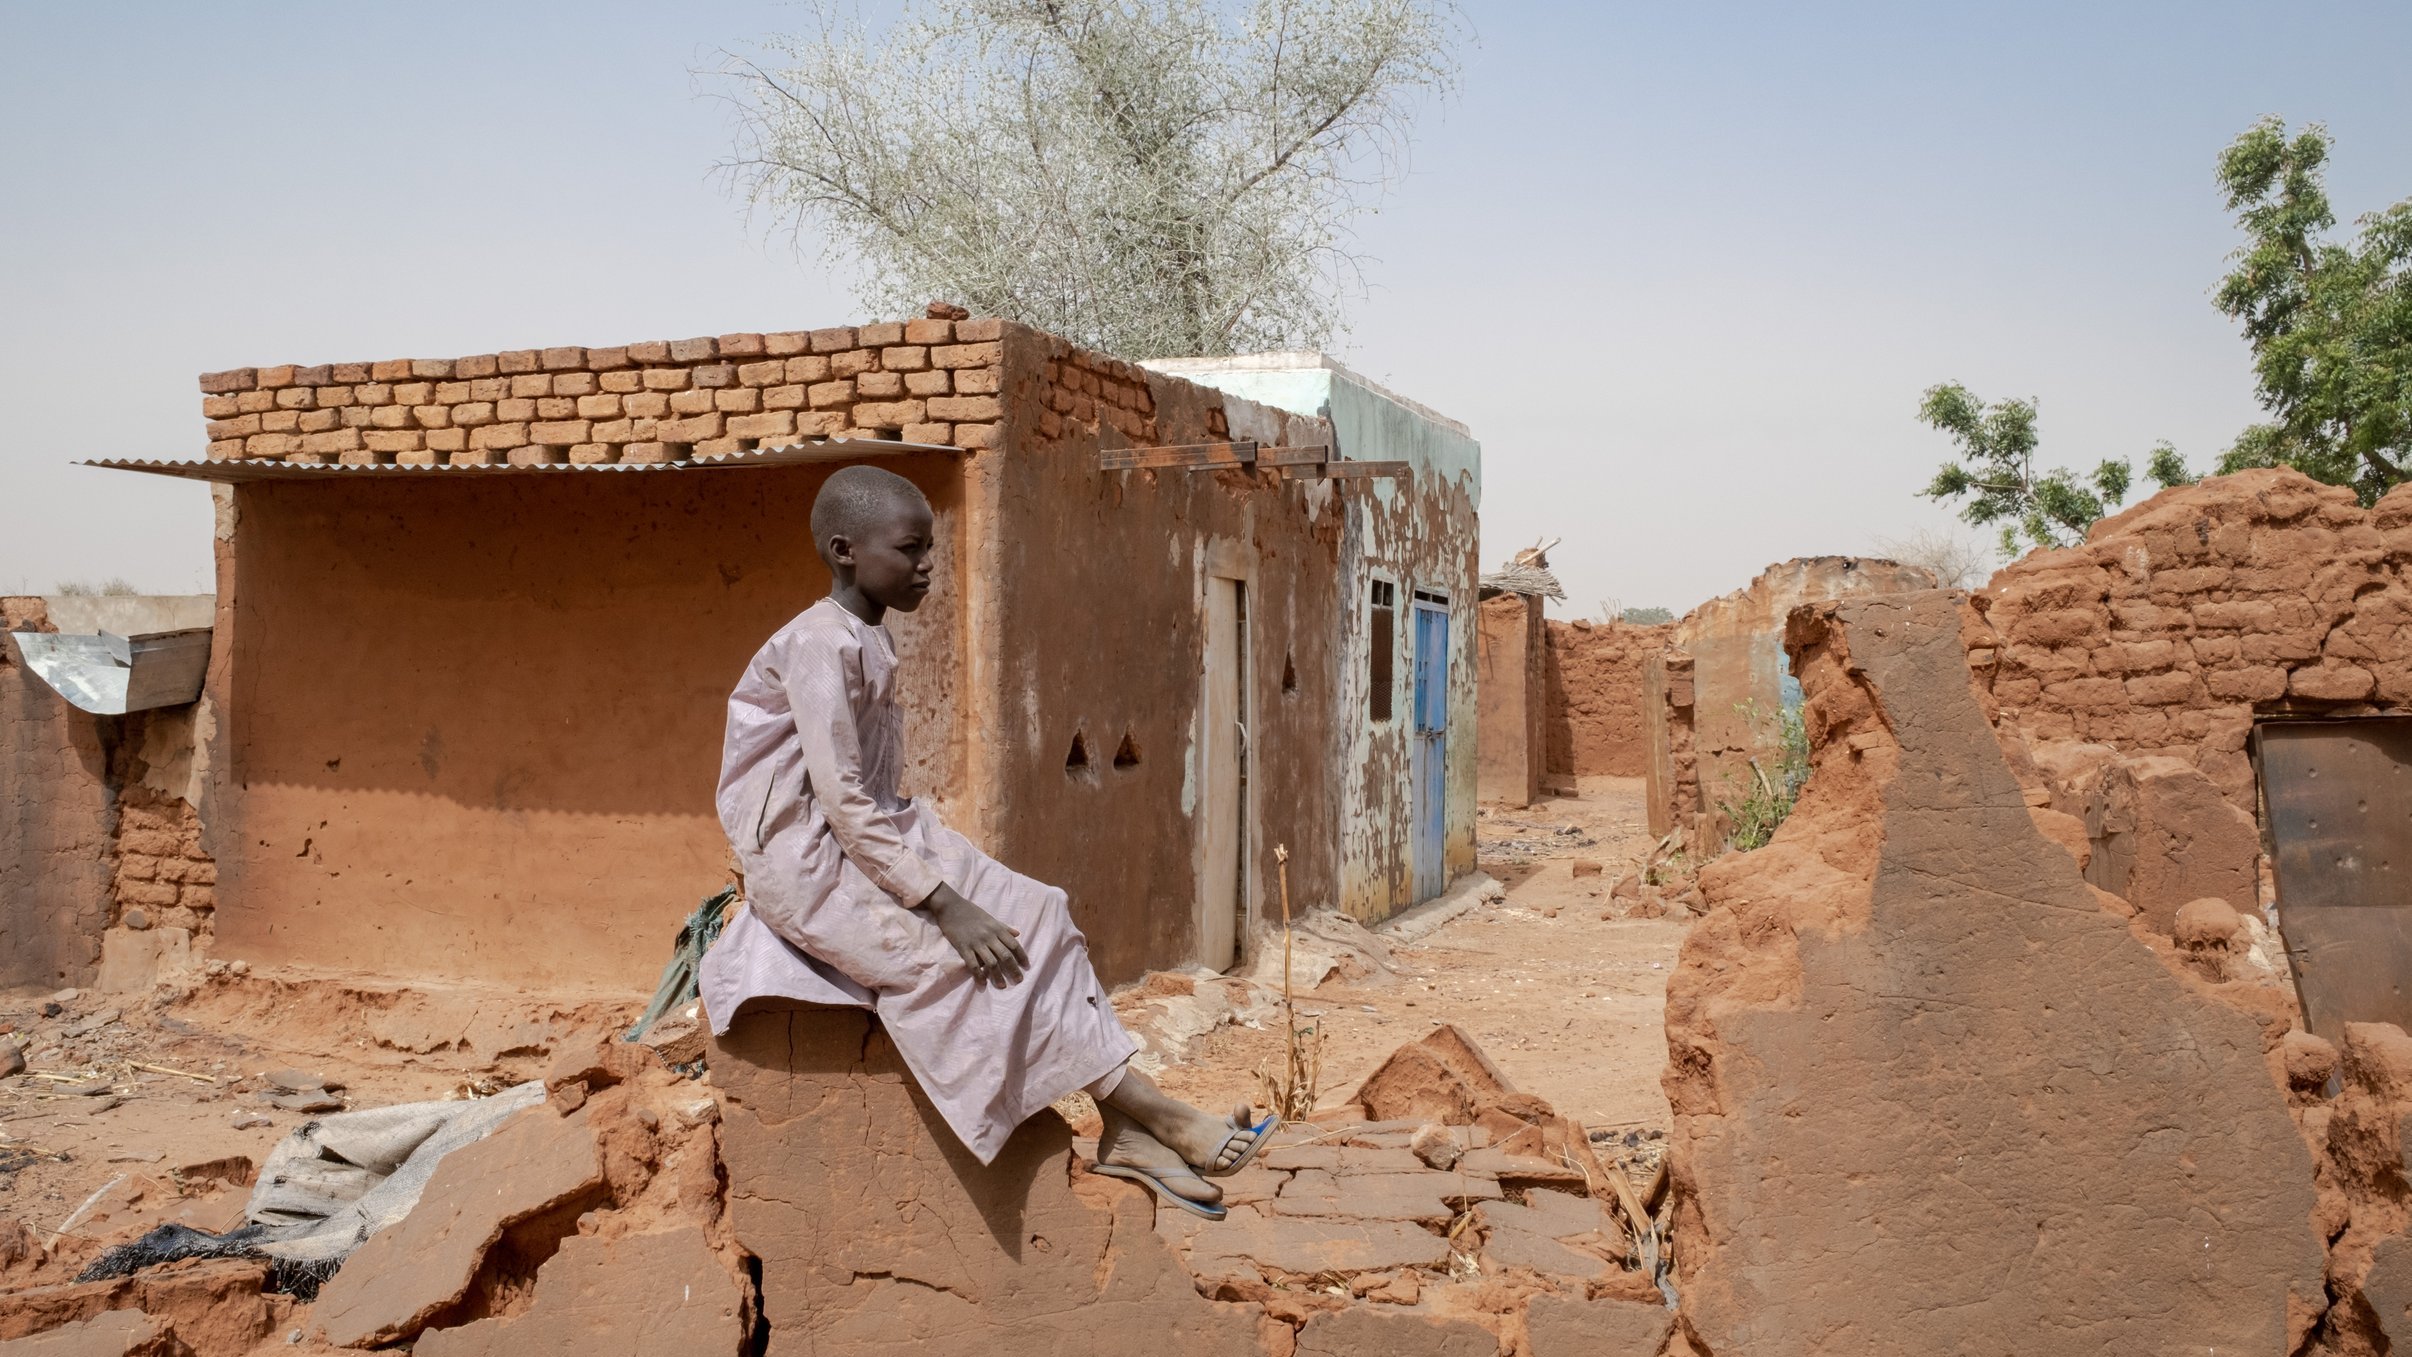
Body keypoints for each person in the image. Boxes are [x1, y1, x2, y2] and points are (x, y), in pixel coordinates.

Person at [698, 463, 1269, 1218]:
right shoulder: (817, 644)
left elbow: (868, 799)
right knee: (957, 956)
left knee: (1041, 911)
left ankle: (1130, 1124)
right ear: (845, 551)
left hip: (875, 830)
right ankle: (1150, 1113)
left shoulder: (868, 636)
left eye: (929, 548)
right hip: (806, 857)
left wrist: (942, 880)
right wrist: (943, 903)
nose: (927, 565)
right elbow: (837, 799)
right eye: (910, 549)